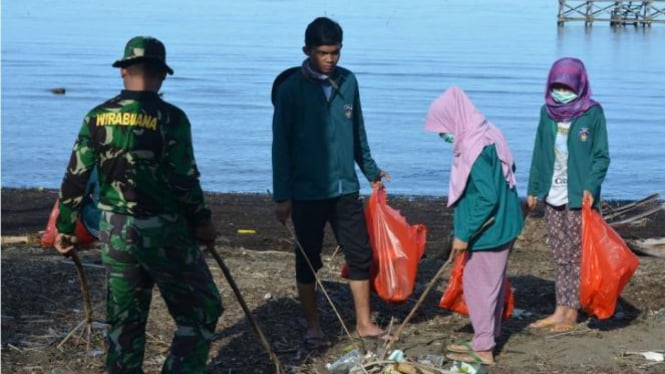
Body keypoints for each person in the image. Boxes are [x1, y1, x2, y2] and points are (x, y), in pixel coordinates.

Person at [54, 36, 223, 373]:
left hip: (114, 231)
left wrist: (66, 228)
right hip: (164, 231)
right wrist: (203, 223)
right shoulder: (172, 118)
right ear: (161, 75)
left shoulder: (96, 117)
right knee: (201, 310)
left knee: (124, 321)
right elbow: (184, 180)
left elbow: (76, 177)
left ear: (124, 71)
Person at [271, 17, 391, 350]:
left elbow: (358, 134)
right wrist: (282, 195)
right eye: (324, 53)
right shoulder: (290, 90)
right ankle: (313, 325)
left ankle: (364, 323)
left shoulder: (348, 82)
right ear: (307, 50)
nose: (330, 59)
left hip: (345, 189)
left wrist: (372, 172)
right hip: (306, 191)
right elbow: (280, 146)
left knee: (360, 254)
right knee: (308, 257)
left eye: (335, 52)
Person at [424, 86, 524, 366]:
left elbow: (487, 196)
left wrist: (463, 234)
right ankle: (487, 337)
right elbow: (510, 169)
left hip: (490, 230)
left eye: (444, 129)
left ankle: (483, 348)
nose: (443, 136)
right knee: (490, 284)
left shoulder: (475, 148)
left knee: (479, 286)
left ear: (455, 120)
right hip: (503, 223)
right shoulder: (488, 131)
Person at [526, 57, 610, 332]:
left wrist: (591, 187)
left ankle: (571, 312)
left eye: (567, 87)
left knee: (576, 255)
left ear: (579, 85)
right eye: (557, 86)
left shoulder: (592, 113)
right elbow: (539, 152)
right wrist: (534, 189)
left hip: (579, 197)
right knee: (559, 254)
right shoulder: (546, 112)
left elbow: (601, 157)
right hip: (553, 195)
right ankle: (559, 309)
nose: (561, 92)